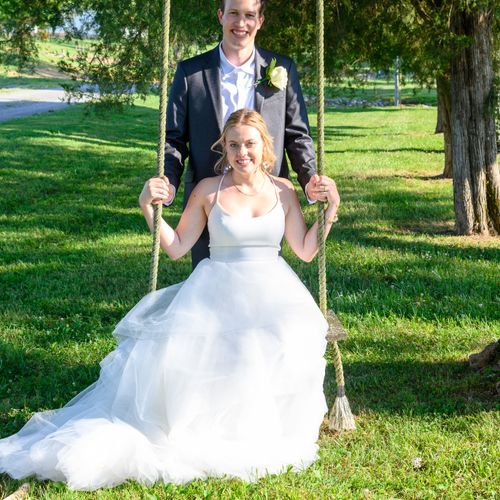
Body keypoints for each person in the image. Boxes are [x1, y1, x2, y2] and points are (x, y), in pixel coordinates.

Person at [0, 110, 340, 491]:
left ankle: (262, 426)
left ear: (264, 147)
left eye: (249, 143)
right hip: (218, 290)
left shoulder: (283, 190)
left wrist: (329, 213)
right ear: (223, 149)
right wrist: (148, 208)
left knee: (282, 343)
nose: (242, 152)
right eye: (233, 144)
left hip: (273, 291)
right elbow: (178, 247)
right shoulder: (208, 190)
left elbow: (305, 250)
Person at [165, 0, 329, 266]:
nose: (241, 24)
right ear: (220, 16)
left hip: (263, 197)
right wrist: (168, 182)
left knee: (260, 274)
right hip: (208, 198)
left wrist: (309, 178)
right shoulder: (191, 73)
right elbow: (173, 139)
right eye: (233, 14)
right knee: (209, 282)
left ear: (260, 21)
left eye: (249, 15)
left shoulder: (281, 69)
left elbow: (297, 135)